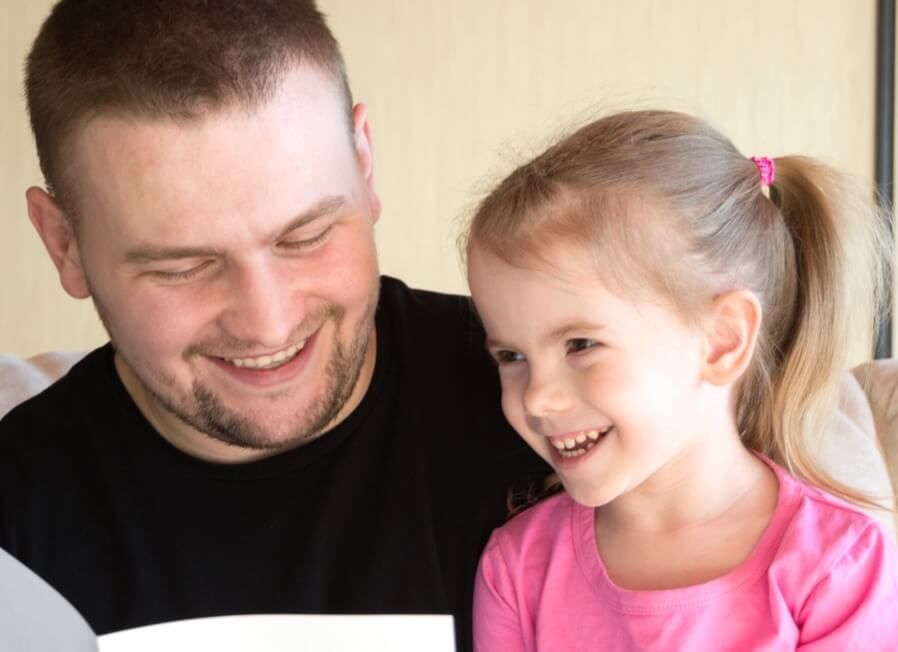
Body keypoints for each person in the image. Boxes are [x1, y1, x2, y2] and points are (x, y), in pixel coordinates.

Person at [0, 2, 544, 650]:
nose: (268, 323)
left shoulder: (556, 405)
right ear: (63, 243)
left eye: (305, 236)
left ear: (364, 163)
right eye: (182, 268)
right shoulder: (17, 531)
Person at [464, 109, 898, 650]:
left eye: (581, 345)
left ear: (722, 340)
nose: (537, 398)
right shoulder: (516, 569)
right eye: (511, 355)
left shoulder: (839, 566)